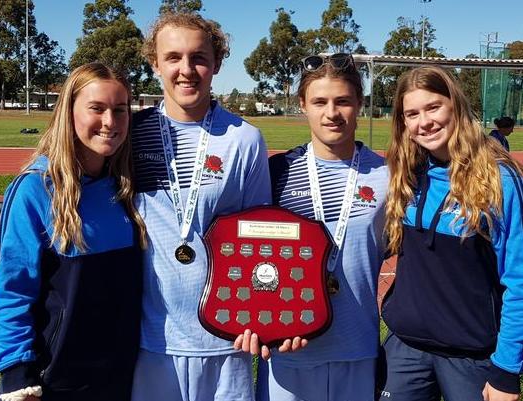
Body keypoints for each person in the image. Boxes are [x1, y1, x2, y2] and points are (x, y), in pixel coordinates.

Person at [128, 12, 271, 401]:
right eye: (172, 57)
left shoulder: (244, 139)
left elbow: (260, 240)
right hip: (151, 340)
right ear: (155, 63)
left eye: (199, 57)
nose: (186, 69)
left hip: (227, 340)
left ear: (217, 63)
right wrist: (5, 230)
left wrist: (260, 316)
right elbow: (73, 179)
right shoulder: (131, 133)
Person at [0, 62, 147, 401]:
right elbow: (11, 291)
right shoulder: (35, 188)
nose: (110, 122)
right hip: (56, 381)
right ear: (68, 112)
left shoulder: (125, 189)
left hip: (121, 376)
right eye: (96, 108)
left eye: (120, 110)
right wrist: (16, 375)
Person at [239, 53, 389, 401]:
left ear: (360, 104)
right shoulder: (277, 172)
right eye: (319, 101)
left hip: (357, 348)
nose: (332, 113)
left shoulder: (387, 176)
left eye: (343, 101)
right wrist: (259, 323)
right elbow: (251, 259)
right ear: (302, 105)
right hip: (289, 350)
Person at [381, 66, 523, 401]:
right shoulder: (406, 176)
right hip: (406, 348)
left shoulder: (498, 180)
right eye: (412, 114)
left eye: (433, 108)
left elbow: (518, 280)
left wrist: (505, 372)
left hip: (471, 355)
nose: (424, 122)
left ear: (454, 106)